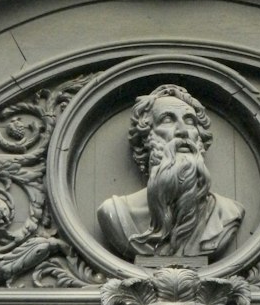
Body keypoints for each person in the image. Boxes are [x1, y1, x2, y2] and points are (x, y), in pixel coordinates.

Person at [97, 83, 244, 261]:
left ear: (199, 137)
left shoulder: (226, 213)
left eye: (190, 121)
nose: (183, 132)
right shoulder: (116, 214)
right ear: (146, 138)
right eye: (167, 120)